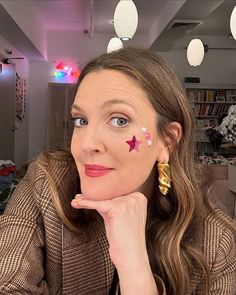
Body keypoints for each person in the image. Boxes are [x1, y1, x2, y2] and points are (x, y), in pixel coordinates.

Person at [0, 47, 235, 295]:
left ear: (167, 140)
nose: (87, 143)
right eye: (81, 120)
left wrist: (135, 268)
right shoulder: (46, 182)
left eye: (119, 120)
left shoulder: (215, 242)